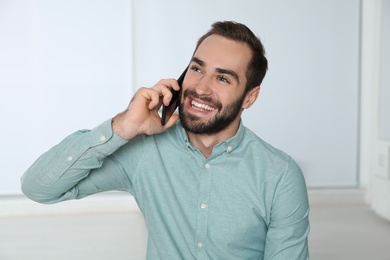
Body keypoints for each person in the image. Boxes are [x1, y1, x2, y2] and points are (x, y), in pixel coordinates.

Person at [21, 21, 310, 259]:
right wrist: (123, 126)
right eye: (197, 69)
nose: (200, 87)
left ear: (250, 96)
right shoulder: (145, 151)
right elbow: (39, 188)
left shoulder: (279, 175)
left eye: (222, 79)